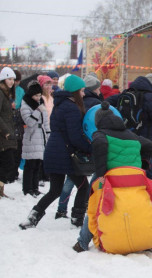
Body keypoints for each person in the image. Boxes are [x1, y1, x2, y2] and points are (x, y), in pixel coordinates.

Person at [72, 102, 152, 261]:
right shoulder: (131, 135)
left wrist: (101, 171)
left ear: (98, 122)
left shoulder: (100, 134)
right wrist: (141, 163)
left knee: (94, 207)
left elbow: (99, 144)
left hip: (113, 182)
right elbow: (150, 146)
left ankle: (82, 243)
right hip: (136, 182)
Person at [19, 75, 92, 229]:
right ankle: (77, 220)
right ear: (75, 91)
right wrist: (90, 148)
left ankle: (33, 216)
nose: (84, 94)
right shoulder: (71, 108)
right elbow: (75, 136)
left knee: (55, 190)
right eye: (82, 91)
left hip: (55, 152)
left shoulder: (61, 104)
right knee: (83, 185)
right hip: (64, 154)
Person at [107, 76, 152, 178]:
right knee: (147, 174)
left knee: (130, 172)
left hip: (125, 139)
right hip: (144, 143)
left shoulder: (127, 93)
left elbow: (107, 101)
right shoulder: (150, 98)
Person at [55, 74, 102, 218]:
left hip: (71, 148)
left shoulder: (68, 103)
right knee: (81, 182)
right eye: (98, 88)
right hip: (77, 147)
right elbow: (76, 131)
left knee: (75, 182)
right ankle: (79, 212)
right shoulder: (80, 105)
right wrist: (88, 147)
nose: (99, 91)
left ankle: (64, 209)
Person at [20, 81, 50, 197]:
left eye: (39, 95)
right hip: (31, 137)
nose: (38, 98)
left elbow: (46, 121)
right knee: (30, 164)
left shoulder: (41, 103)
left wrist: (48, 134)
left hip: (41, 136)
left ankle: (35, 187)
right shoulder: (25, 104)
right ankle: (27, 189)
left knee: (38, 164)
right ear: (31, 94)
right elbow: (29, 122)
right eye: (36, 95)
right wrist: (38, 111)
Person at [0, 67, 17, 198]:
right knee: (8, 163)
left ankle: (1, 190)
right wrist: (5, 131)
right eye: (9, 79)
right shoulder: (1, 93)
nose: (12, 82)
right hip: (3, 135)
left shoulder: (7, 94)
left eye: (13, 79)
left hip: (7, 134)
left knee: (6, 163)